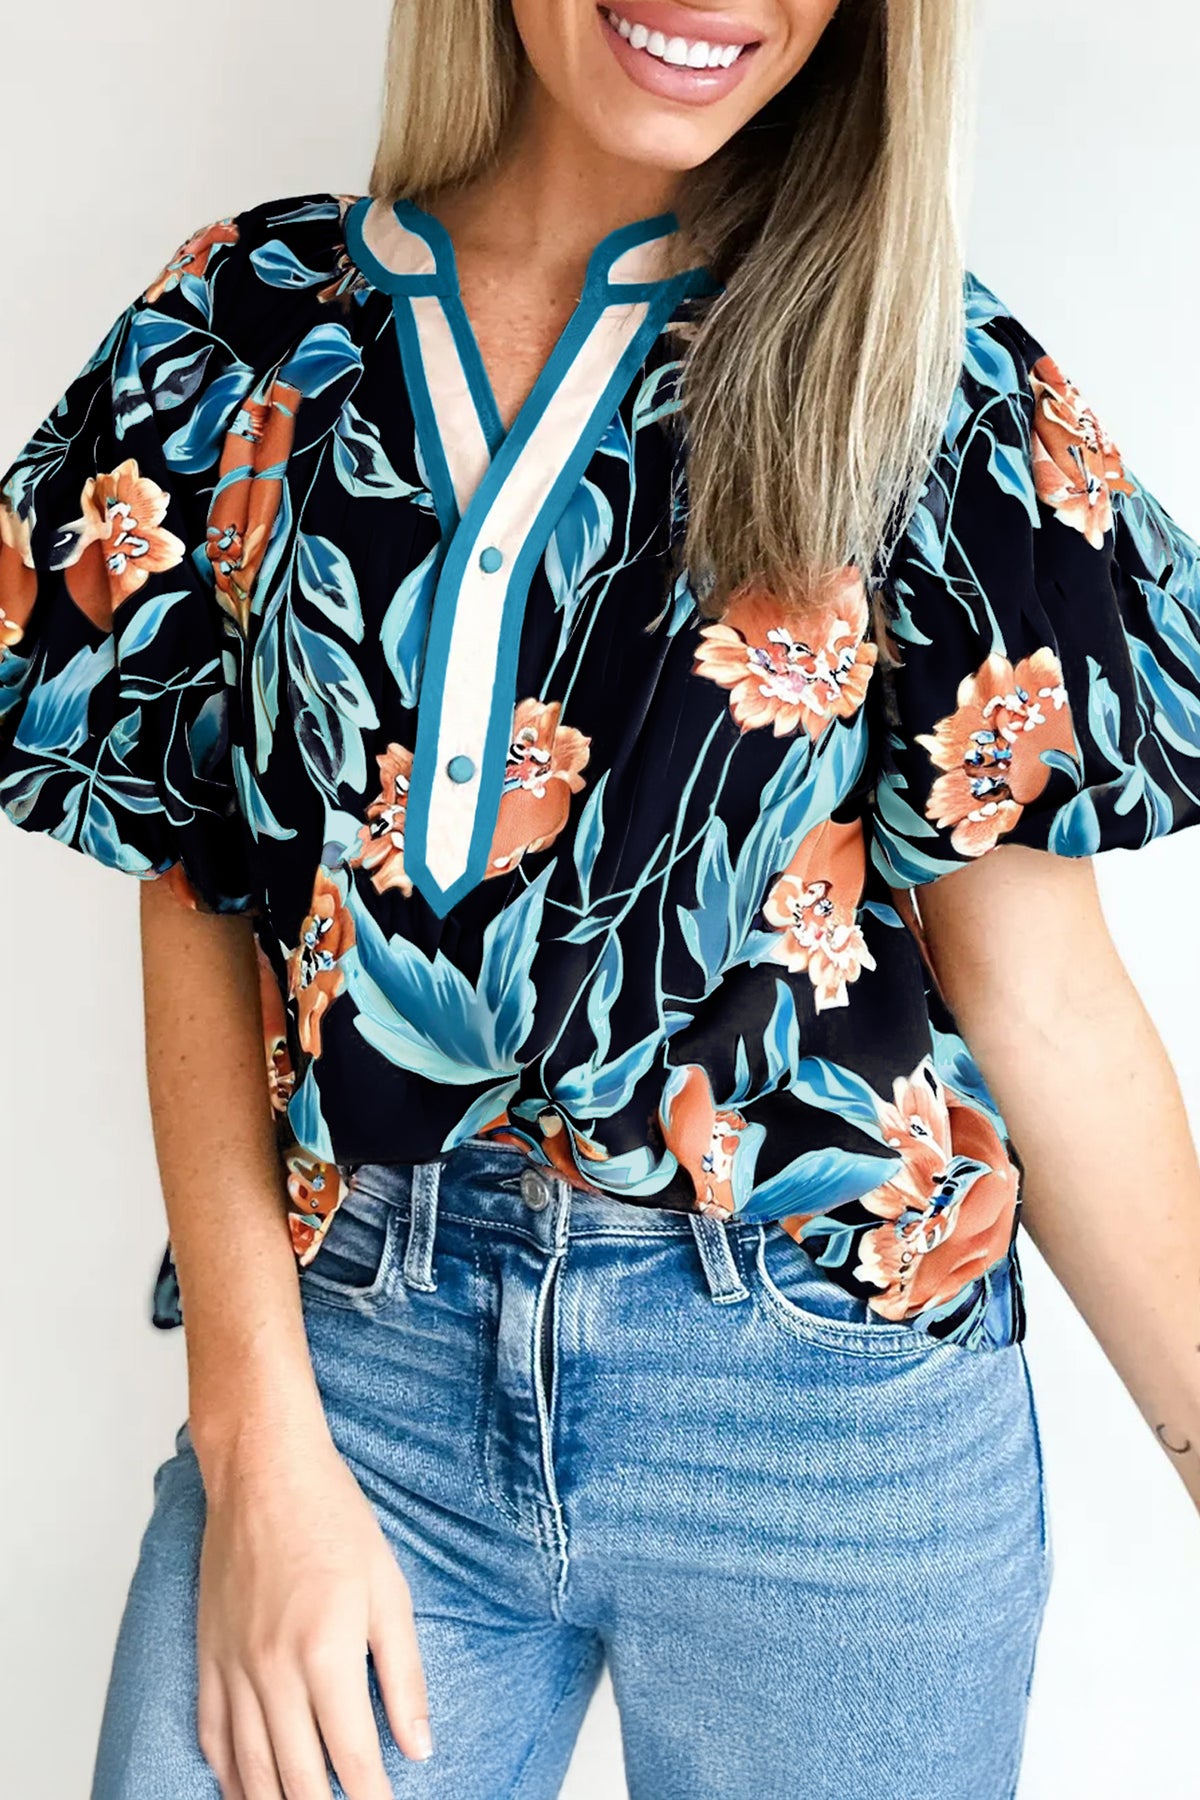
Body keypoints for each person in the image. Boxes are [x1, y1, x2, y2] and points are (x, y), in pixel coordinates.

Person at [3, 1, 1200, 1795]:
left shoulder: (916, 379)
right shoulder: (242, 332)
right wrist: (256, 1449)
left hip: (826, 1401)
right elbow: (201, 897)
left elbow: (1049, 1001)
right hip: (358, 1360)